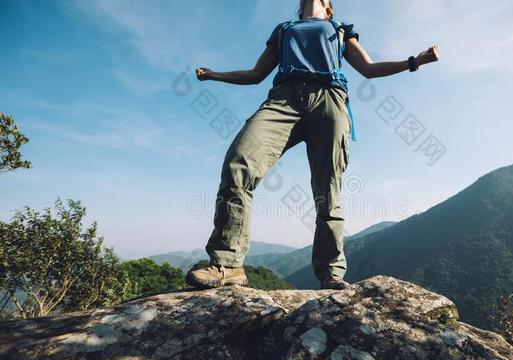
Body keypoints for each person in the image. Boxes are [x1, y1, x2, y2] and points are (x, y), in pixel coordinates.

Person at [185, 0, 440, 290]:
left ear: (330, 8)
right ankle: (228, 264)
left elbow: (369, 69)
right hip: (284, 100)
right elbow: (256, 75)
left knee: (327, 187)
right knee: (238, 162)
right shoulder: (284, 30)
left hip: (329, 100)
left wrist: (414, 62)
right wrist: (215, 75)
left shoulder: (339, 30)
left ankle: (331, 272)